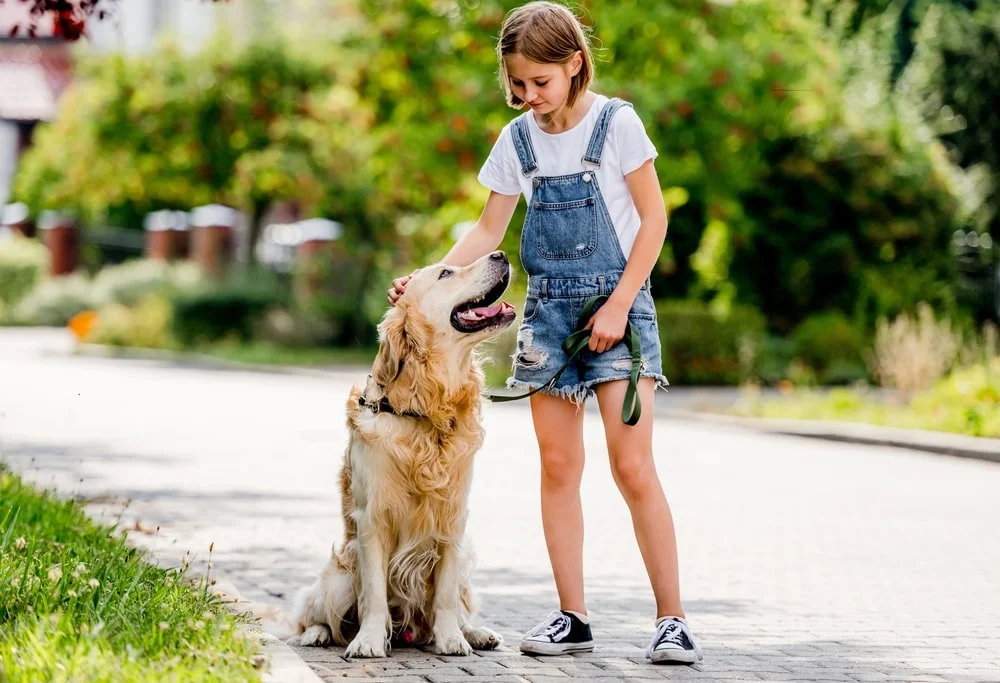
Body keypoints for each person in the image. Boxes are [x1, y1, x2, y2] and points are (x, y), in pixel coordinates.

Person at [388, 0, 702, 665]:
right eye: (518, 84)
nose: (528, 96)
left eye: (540, 82)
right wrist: (425, 277)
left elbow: (653, 221)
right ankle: (573, 615)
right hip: (549, 319)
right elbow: (485, 232)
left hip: (621, 312)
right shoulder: (518, 141)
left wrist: (619, 304)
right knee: (559, 466)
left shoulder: (617, 124)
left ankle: (672, 619)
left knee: (632, 465)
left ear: (575, 65)